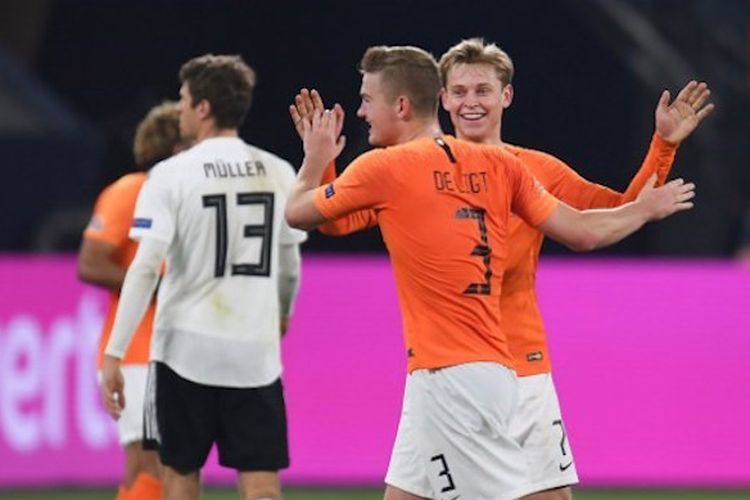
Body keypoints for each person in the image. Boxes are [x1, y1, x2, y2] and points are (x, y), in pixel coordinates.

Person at [285, 45, 695, 500]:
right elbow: (339, 220)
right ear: (441, 99)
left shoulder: (522, 168)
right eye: (459, 91)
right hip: (452, 366)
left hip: (512, 363)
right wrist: (324, 161)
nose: (471, 102)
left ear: (507, 96)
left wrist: (664, 146)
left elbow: (614, 212)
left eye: (483, 90)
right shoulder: (420, 172)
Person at [100, 54, 306, 500]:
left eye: (184, 98)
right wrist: (283, 314)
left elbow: (144, 267)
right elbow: (290, 265)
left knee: (179, 477)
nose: (179, 108)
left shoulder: (170, 175)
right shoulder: (278, 171)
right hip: (254, 352)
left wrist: (115, 353)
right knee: (262, 485)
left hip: (182, 352)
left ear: (204, 108)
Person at [78, 101, 187, 500]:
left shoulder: (186, 197)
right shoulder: (131, 190)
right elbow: (90, 263)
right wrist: (155, 286)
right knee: (148, 459)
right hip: (138, 351)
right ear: (176, 146)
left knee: (173, 465)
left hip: (177, 348)